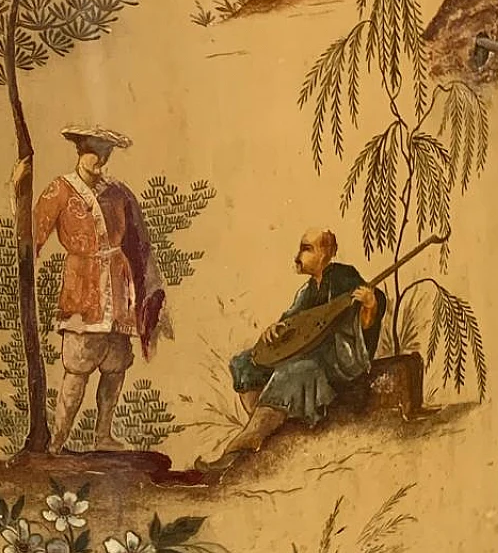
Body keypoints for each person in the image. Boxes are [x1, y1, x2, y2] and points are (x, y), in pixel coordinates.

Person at [201, 229, 384, 470]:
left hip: (335, 360)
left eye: (307, 249)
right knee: (244, 364)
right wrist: (273, 331)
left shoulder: (345, 277)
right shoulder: (307, 290)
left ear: (325, 254)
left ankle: (243, 444)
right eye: (300, 248)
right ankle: (262, 428)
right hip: (307, 351)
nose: (298, 256)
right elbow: (292, 323)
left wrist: (370, 306)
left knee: (289, 372)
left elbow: (363, 322)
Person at [33, 126, 166, 453]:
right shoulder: (60, 190)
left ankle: (103, 435)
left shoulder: (118, 192)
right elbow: (32, 235)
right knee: (77, 367)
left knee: (115, 365)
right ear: (80, 150)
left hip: (119, 290)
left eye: (106, 152)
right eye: (94, 150)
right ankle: (58, 441)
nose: (100, 158)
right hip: (83, 288)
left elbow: (138, 241)